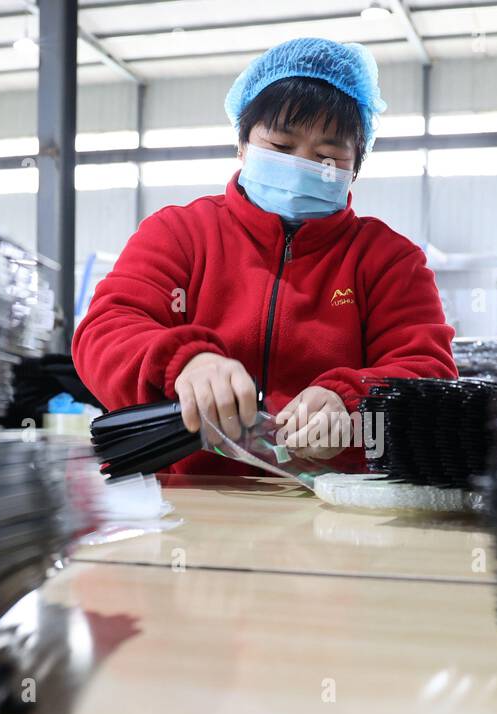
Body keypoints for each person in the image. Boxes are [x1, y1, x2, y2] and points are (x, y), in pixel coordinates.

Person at [73, 37, 457, 475]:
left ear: (355, 167)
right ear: (242, 144)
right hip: (191, 507)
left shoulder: (389, 261)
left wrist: (352, 400)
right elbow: (105, 330)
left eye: (328, 156)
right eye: (281, 146)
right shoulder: (178, 234)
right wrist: (185, 363)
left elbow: (429, 371)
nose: (303, 166)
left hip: (334, 513)